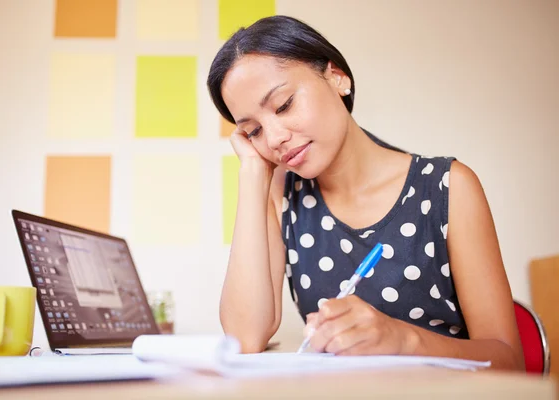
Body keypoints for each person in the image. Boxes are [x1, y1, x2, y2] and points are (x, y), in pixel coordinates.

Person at [207, 15, 524, 371]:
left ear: (336, 77)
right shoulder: (281, 194)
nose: (275, 138)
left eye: (283, 105)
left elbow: (509, 361)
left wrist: (403, 340)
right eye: (253, 132)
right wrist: (253, 173)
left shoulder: (448, 187)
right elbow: (245, 338)